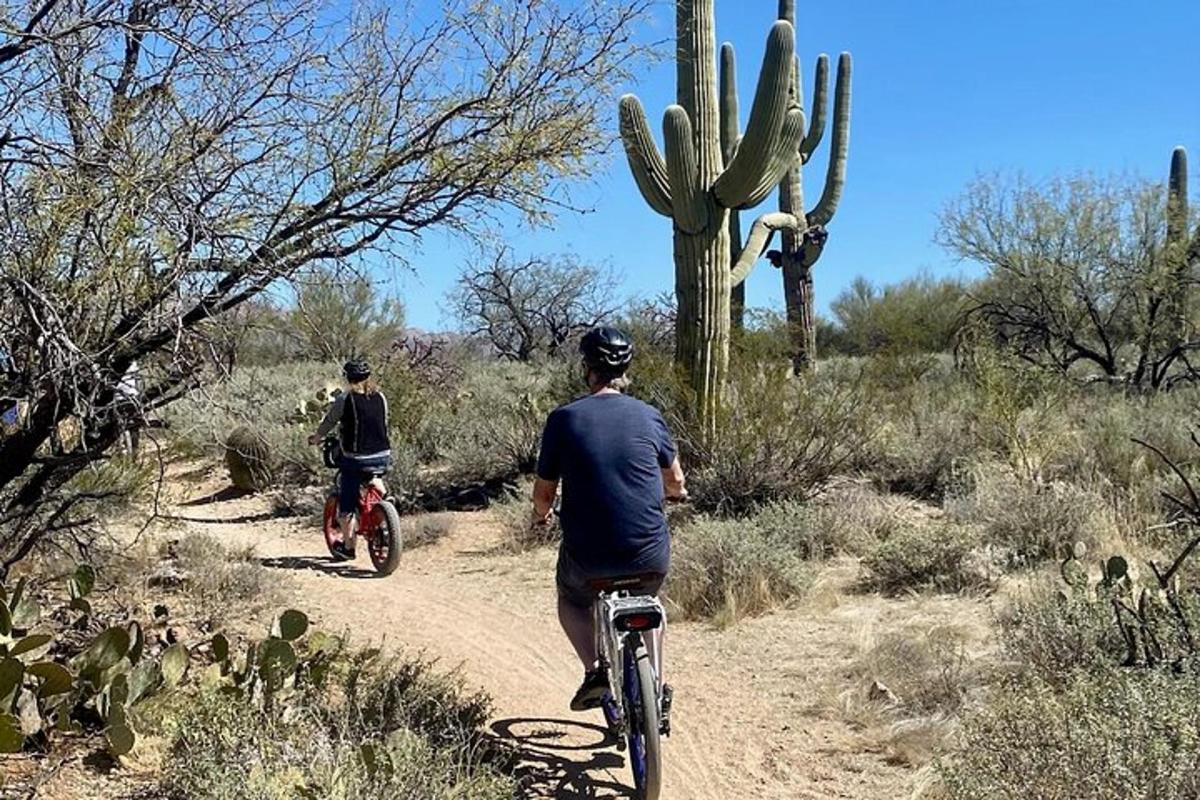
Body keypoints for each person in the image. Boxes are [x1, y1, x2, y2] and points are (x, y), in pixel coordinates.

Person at [532, 326, 687, 712]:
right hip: (648, 555)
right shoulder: (650, 416)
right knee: (647, 597)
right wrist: (675, 495)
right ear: (626, 367)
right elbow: (676, 479)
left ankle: (594, 670)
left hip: (589, 557)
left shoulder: (564, 419)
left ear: (587, 367)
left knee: (571, 599)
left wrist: (541, 515)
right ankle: (656, 685)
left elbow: (544, 493)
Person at [309, 358, 392, 560]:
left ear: (348, 378)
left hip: (356, 458)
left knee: (347, 502)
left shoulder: (345, 399)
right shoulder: (380, 397)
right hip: (383, 455)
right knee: (373, 473)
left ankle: (348, 547)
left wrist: (317, 437)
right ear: (368, 377)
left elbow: (330, 421)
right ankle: (384, 496)